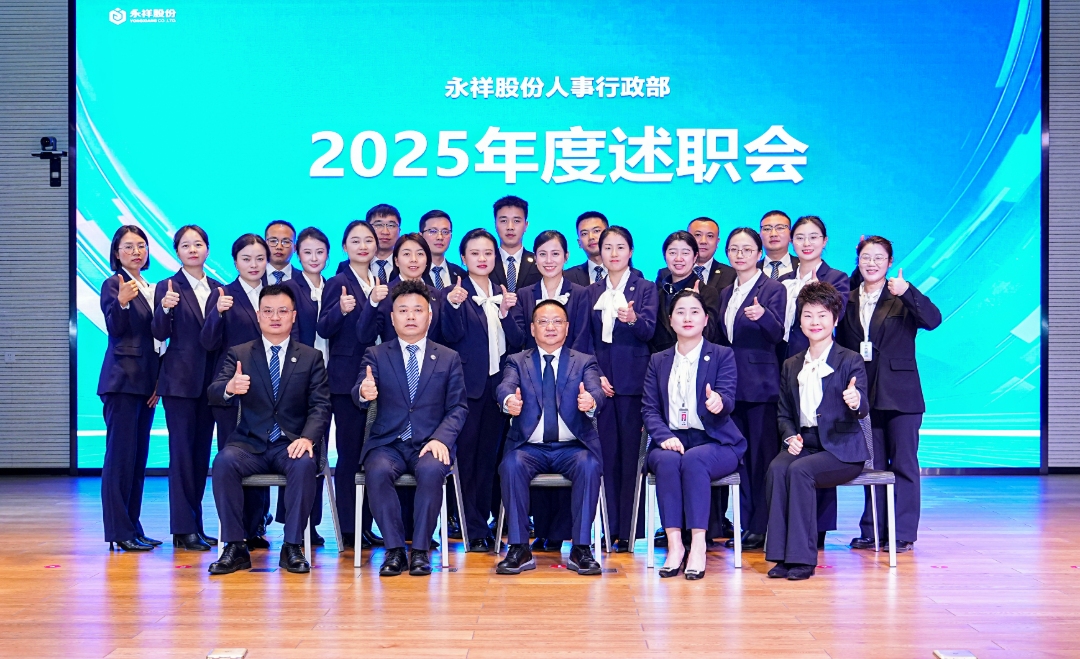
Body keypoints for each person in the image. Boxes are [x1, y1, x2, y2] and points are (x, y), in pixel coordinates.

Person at [206, 284, 331, 575]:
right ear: (258, 315)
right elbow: (214, 392)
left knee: (304, 463)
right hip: (250, 444)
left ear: (294, 316)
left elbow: (321, 406)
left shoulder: (311, 357)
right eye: (268, 311)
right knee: (223, 462)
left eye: (282, 311)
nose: (275, 317)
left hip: (291, 443)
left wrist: (307, 438)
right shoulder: (240, 354)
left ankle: (293, 545)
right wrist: (229, 387)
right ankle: (235, 546)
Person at [353, 280, 469, 576]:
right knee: (377, 471)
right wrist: (363, 392)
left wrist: (441, 439)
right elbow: (360, 388)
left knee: (431, 471)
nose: (411, 316)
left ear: (430, 316)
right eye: (403, 310)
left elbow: (458, 407)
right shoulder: (376, 354)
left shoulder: (448, 357)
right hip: (387, 443)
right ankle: (394, 550)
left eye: (418, 310)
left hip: (430, 442)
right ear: (392, 318)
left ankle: (419, 550)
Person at [836, 236, 941, 554]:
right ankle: (873, 530)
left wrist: (908, 292)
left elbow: (933, 320)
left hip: (901, 395)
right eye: (866, 257)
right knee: (873, 465)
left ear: (890, 262)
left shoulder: (900, 295)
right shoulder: (848, 298)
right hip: (865, 394)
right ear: (858, 261)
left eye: (879, 257)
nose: (872, 263)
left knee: (904, 463)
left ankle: (903, 531)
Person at [765, 282, 869, 581]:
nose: (815, 322)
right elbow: (784, 412)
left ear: (835, 320)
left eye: (822, 315)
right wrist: (789, 436)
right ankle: (781, 555)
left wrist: (855, 400)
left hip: (841, 449)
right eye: (808, 315)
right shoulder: (791, 364)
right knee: (777, 469)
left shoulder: (850, 359)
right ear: (800, 321)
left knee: (800, 471)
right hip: (806, 442)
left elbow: (863, 405)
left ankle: (802, 559)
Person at [495, 300, 606, 575]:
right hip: (529, 448)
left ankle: (581, 548)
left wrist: (591, 400)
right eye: (543, 322)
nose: (550, 327)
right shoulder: (517, 361)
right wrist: (509, 401)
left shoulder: (584, 361)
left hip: (573, 447)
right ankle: (519, 547)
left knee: (589, 465)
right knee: (511, 465)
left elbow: (596, 389)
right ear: (533, 329)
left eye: (557, 321)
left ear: (567, 328)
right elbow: (505, 386)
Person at [642, 289, 745, 579]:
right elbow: (649, 409)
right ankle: (675, 545)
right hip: (671, 439)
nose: (687, 318)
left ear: (705, 319)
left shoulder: (722, 355)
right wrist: (663, 436)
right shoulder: (658, 360)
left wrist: (719, 402)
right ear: (670, 320)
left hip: (715, 441)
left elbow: (728, 397)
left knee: (694, 460)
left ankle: (698, 545)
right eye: (680, 312)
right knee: (666, 461)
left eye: (694, 311)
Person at [440, 228, 526, 550]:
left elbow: (517, 341)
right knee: (466, 459)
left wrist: (505, 314)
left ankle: (485, 522)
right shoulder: (454, 293)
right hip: (466, 389)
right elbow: (449, 337)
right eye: (474, 253)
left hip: (498, 388)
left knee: (490, 459)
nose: (482, 258)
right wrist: (452, 306)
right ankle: (472, 528)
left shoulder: (505, 293)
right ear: (463, 258)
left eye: (488, 253)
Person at [777, 216, 852, 542]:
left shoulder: (836, 278)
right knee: (791, 447)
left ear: (824, 241)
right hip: (789, 367)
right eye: (800, 237)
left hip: (824, 366)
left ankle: (817, 531)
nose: (806, 243)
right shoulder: (782, 279)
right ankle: (788, 531)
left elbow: (836, 317)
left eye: (813, 237)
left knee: (822, 444)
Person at [586, 226, 658, 552]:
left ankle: (629, 530)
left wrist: (632, 318)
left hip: (633, 385)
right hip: (601, 387)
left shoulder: (645, 288)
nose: (613, 253)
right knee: (606, 457)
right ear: (599, 253)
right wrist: (595, 374)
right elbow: (584, 339)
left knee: (632, 459)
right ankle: (607, 526)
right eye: (608, 248)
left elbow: (650, 332)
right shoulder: (591, 291)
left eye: (620, 247)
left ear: (631, 251)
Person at [202, 234, 276, 548]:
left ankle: (256, 525)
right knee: (234, 461)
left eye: (260, 258)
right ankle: (234, 533)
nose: (254, 265)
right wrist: (217, 313)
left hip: (268, 392)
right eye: (246, 259)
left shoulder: (274, 295)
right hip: (233, 393)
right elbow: (207, 342)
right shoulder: (223, 294)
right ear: (235, 262)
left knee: (262, 454)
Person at [152, 225, 223, 552]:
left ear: (207, 249)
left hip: (210, 383)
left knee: (199, 456)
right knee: (181, 455)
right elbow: (159, 333)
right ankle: (182, 529)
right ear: (177, 251)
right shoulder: (168, 286)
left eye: (198, 244)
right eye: (185, 245)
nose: (192, 250)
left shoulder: (219, 288)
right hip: (180, 383)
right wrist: (165, 308)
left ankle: (195, 524)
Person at [718, 228, 787, 551]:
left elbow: (778, 334)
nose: (740, 255)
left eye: (747, 249)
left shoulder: (773, 288)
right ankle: (746, 523)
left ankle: (763, 525)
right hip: (732, 388)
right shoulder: (725, 292)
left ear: (759, 254)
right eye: (734, 249)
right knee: (741, 459)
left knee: (762, 459)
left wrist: (763, 316)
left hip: (761, 388)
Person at [318, 220, 383, 550]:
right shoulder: (338, 282)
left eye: (368, 240)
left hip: (377, 378)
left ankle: (365, 525)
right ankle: (348, 527)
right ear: (345, 247)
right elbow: (323, 327)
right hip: (346, 382)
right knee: (349, 455)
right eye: (355, 241)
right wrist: (341, 311)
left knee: (369, 455)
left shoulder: (379, 280)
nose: (363, 246)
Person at [98, 225, 161, 551]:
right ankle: (118, 531)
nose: (136, 252)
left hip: (145, 385)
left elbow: (156, 341)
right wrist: (121, 303)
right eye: (128, 246)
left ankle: (133, 527)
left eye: (141, 246)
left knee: (137, 461)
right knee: (120, 460)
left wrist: (158, 382)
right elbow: (115, 329)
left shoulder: (150, 286)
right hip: (122, 382)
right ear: (117, 252)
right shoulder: (114, 283)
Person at [278, 226, 332, 544]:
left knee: (319, 452)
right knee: (299, 450)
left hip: (332, 376)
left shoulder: (334, 286)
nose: (314, 258)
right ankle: (296, 526)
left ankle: (311, 522)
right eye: (307, 252)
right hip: (300, 379)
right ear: (298, 255)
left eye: (319, 252)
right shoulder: (290, 287)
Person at [357, 233, 445, 345]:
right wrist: (373, 302)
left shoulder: (437, 295)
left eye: (420, 254)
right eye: (407, 254)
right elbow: (365, 337)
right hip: (393, 356)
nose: (414, 259)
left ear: (427, 261)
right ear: (396, 261)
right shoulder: (384, 294)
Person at [651, 231, 723, 353]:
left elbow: (709, 335)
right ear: (665, 256)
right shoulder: (657, 293)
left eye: (685, 253)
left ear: (695, 257)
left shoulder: (707, 293)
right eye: (672, 253)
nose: (678, 258)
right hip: (661, 360)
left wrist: (697, 305)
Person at [656, 217, 736, 292]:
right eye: (697, 235)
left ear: (717, 242)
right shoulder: (665, 274)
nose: (703, 241)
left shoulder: (731, 274)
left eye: (710, 236)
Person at [334, 204, 401, 281]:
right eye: (378, 225)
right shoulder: (345, 267)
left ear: (399, 231)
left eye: (391, 225)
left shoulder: (407, 265)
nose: (385, 232)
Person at [490, 195, 540, 292]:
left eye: (516, 221)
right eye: (503, 221)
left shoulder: (538, 262)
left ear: (526, 225)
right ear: (495, 225)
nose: (510, 227)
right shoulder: (486, 262)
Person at [419, 209, 466, 290]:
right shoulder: (413, 271)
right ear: (421, 236)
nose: (440, 237)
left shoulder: (461, 274)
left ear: (451, 236)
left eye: (445, 232)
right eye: (433, 231)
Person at [565, 211, 610, 286]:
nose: (591, 237)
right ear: (579, 243)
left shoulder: (628, 273)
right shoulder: (567, 278)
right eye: (584, 234)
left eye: (596, 231)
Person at [758, 211, 798, 280]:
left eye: (780, 228)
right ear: (759, 236)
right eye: (767, 229)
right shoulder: (750, 269)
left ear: (791, 235)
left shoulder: (804, 266)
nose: (773, 234)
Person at [265, 220, 297, 284]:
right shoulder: (252, 277)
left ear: (294, 248)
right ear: (264, 245)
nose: (279, 247)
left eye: (286, 242)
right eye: (273, 241)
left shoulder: (305, 280)